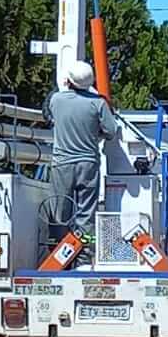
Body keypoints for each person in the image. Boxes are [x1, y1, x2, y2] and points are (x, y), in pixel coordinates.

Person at [48, 60, 117, 264]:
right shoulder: (98, 104)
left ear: (68, 80)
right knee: (85, 214)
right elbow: (111, 131)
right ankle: (83, 259)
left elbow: (49, 116)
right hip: (88, 163)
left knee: (60, 212)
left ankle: (60, 258)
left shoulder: (57, 100)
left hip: (62, 163)